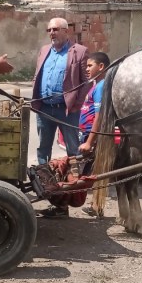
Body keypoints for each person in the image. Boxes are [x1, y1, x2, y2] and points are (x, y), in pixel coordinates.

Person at [32, 18, 89, 217]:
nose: (52, 33)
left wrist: (76, 105)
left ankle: (71, 195)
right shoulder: (44, 50)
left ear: (66, 31)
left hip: (67, 111)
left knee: (73, 152)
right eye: (49, 29)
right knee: (43, 150)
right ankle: (44, 188)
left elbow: (85, 82)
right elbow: (37, 75)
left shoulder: (78, 51)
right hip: (45, 109)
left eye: (55, 29)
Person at [77, 52, 110, 217]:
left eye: (90, 66)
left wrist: (89, 142)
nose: (87, 69)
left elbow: (100, 116)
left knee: (93, 174)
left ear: (101, 66)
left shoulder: (101, 86)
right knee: (92, 173)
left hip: (91, 137)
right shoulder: (96, 84)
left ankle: (97, 207)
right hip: (86, 135)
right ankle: (96, 206)